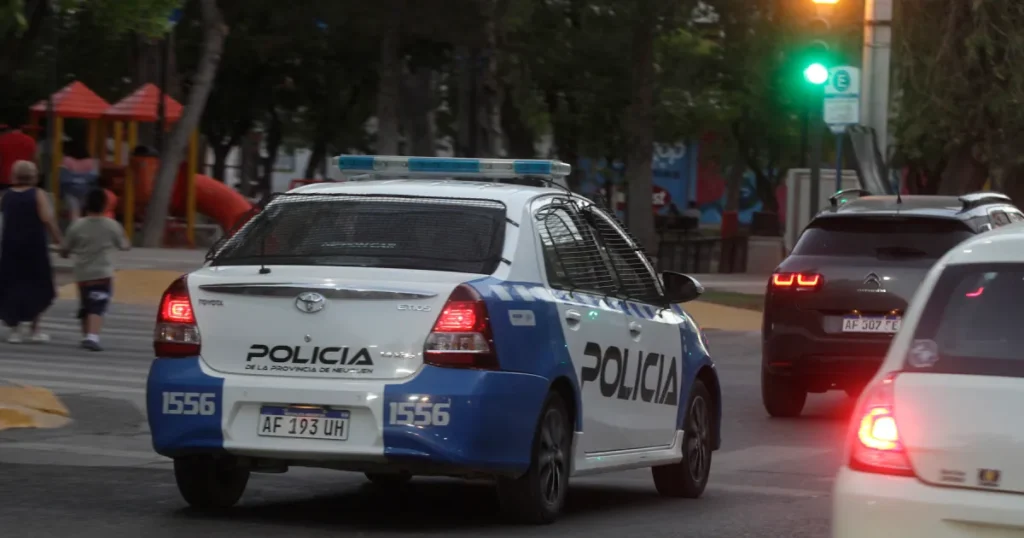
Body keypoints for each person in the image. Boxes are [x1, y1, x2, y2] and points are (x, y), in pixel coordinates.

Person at [59, 187, 130, 351]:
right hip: (102, 273)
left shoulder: (77, 225)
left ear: (86, 204)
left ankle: (86, 335)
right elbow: (124, 245)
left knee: (86, 305)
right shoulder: (112, 225)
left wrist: (65, 252)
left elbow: (65, 248)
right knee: (97, 305)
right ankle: (92, 337)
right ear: (106, 205)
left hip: (82, 274)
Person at [0, 160, 62, 343]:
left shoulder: (7, 195)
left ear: (14, 175)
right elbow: (47, 219)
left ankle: (14, 329)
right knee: (37, 285)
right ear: (34, 176)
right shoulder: (38, 194)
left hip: (10, 247)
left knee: (11, 285)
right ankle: (35, 329)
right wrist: (60, 240)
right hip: (34, 247)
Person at [59, 139, 99, 221]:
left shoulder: (66, 160)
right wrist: (83, 179)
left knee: (74, 209)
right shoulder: (91, 162)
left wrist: (74, 178)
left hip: (71, 191)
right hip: (87, 191)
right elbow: (94, 177)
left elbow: (64, 178)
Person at [0, 124, 38, 193]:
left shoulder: (2, 140)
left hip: (5, 179)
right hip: (26, 178)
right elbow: (34, 160)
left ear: (9, 129)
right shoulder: (30, 140)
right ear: (21, 129)